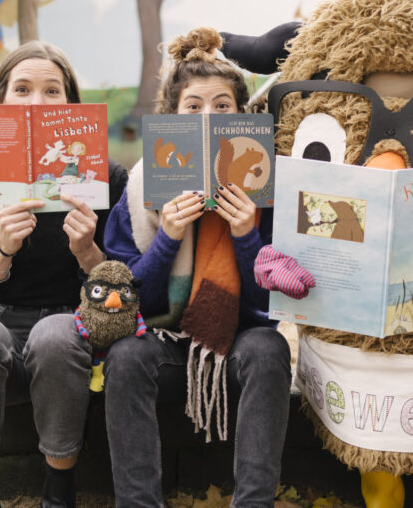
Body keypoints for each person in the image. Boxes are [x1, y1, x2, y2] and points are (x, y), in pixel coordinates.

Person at [103, 26, 291, 507]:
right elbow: (129, 303)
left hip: (235, 343)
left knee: (270, 349)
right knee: (124, 357)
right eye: (194, 107)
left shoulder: (263, 186)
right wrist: (168, 237)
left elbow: (266, 308)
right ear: (172, 117)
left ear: (241, 116)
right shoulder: (142, 185)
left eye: (222, 106)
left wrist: (247, 235)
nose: (208, 117)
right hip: (165, 343)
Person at [0, 41, 128, 508]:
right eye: (22, 88)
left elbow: (123, 299)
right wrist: (2, 247)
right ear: (0, 99)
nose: (35, 102)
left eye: (52, 90)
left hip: (72, 331)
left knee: (55, 332)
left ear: (70, 103)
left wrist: (88, 251)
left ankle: (58, 493)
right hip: (3, 325)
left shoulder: (107, 177)